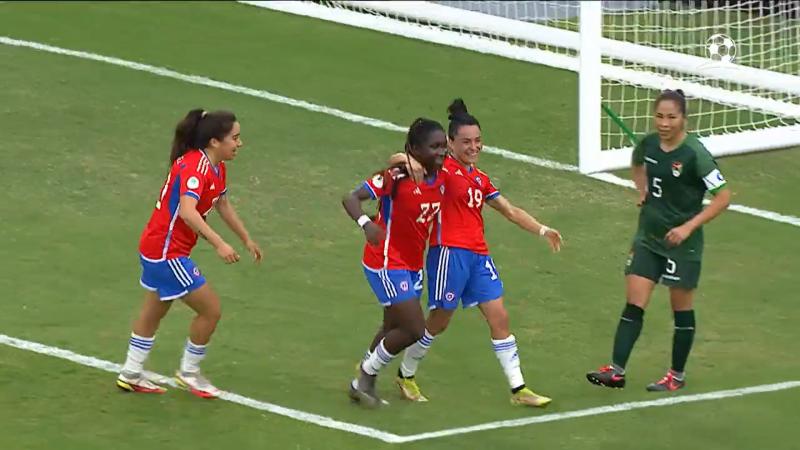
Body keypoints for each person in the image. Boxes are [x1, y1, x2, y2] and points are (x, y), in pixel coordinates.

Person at [391, 99, 562, 407]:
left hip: (478, 257)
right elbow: (400, 160)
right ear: (450, 143)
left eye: (478, 141)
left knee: (500, 317)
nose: (474, 147)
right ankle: (406, 374)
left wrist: (542, 229)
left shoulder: (479, 179)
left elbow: (509, 210)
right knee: (439, 321)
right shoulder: (441, 169)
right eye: (466, 142)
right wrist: (409, 162)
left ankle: (518, 389)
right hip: (448, 254)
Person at [586, 89, 730, 392]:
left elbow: (723, 197)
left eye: (671, 117)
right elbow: (637, 163)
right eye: (659, 116)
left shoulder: (696, 154)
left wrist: (688, 228)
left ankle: (676, 376)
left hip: (682, 244)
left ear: (684, 119)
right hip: (648, 238)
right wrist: (642, 190)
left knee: (681, 309)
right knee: (634, 303)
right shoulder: (649, 144)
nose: (664, 123)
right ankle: (616, 370)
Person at [116, 109, 262, 398]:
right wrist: (220, 243)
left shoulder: (216, 166)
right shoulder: (196, 168)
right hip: (167, 252)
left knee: (155, 309)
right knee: (211, 310)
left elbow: (222, 204)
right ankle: (189, 372)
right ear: (213, 141)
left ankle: (131, 372)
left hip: (157, 247)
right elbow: (187, 212)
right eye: (234, 138)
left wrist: (246, 238)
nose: (239, 143)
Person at [342, 117, 448, 408]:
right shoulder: (397, 176)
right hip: (386, 260)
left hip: (413, 264)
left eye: (444, 146)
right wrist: (366, 224)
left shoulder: (440, 174)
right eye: (434, 147)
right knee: (414, 329)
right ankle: (365, 374)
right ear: (415, 148)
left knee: (392, 326)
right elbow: (351, 198)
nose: (441, 152)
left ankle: (362, 381)